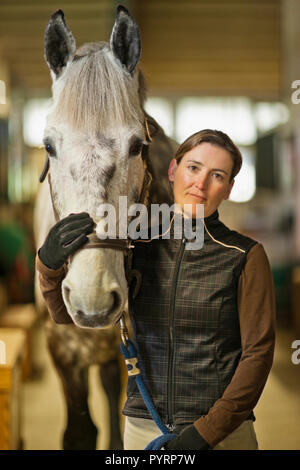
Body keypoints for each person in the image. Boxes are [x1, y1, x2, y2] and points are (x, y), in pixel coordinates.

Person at [36, 129, 276, 450]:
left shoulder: (244, 256)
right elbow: (70, 319)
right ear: (173, 171)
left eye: (217, 175)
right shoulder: (136, 246)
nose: (200, 184)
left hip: (222, 436)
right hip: (143, 428)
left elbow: (257, 357)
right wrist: (48, 268)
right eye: (193, 168)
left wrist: (204, 433)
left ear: (229, 189)